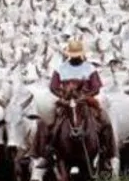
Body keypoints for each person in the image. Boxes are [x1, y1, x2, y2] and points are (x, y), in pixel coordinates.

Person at [34, 39, 115, 169]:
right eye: (73, 56)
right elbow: (53, 86)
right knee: (44, 122)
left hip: (84, 102)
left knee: (106, 121)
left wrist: (86, 96)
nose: (75, 58)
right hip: (65, 101)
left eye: (77, 56)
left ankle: (106, 155)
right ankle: (45, 154)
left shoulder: (90, 68)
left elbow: (96, 87)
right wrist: (62, 96)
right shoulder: (60, 68)